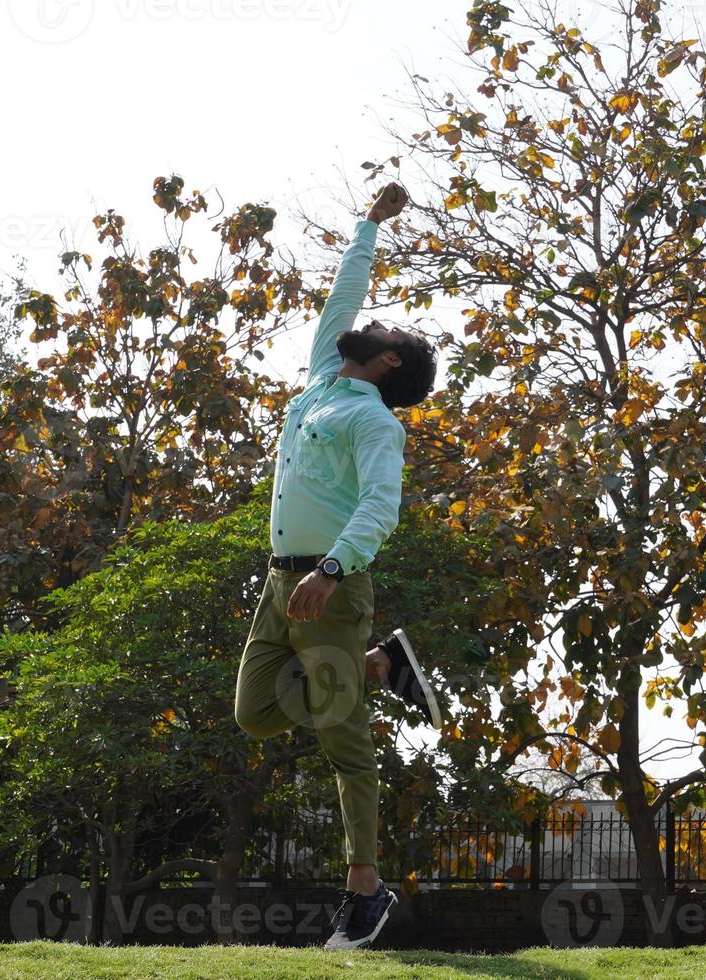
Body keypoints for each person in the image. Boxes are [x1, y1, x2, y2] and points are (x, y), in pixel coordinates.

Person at [232, 181, 442, 950]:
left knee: (342, 741)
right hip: (279, 578)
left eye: (379, 331)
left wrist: (331, 570)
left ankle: (366, 888)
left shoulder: (375, 424)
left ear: (386, 362)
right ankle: (384, 663)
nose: (364, 326)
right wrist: (368, 226)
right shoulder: (325, 375)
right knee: (255, 715)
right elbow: (342, 295)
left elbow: (378, 511)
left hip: (332, 583)